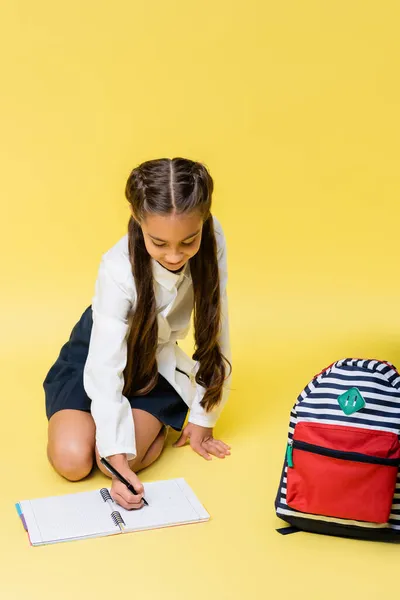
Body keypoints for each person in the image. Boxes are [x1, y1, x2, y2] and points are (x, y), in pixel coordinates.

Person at [44, 157, 232, 510]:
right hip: (97, 354)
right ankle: (115, 428)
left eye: (188, 241)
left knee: (109, 464)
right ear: (137, 219)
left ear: (204, 221)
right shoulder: (117, 268)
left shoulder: (213, 236)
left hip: (151, 363)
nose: (174, 255)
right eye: (159, 243)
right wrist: (115, 452)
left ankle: (155, 421)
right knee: (72, 461)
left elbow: (217, 325)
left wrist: (205, 417)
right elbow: (104, 367)